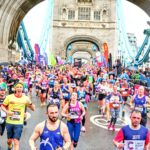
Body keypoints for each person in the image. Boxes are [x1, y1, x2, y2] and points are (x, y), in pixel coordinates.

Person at [1, 82, 35, 150]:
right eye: (17, 87)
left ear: (22, 89)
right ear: (15, 89)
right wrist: (8, 112)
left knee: (16, 142)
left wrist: (31, 105)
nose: (19, 88)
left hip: (19, 122)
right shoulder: (9, 97)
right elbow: (2, 106)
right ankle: (10, 146)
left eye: (20, 87)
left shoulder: (26, 98)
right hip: (9, 121)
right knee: (9, 141)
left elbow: (33, 108)